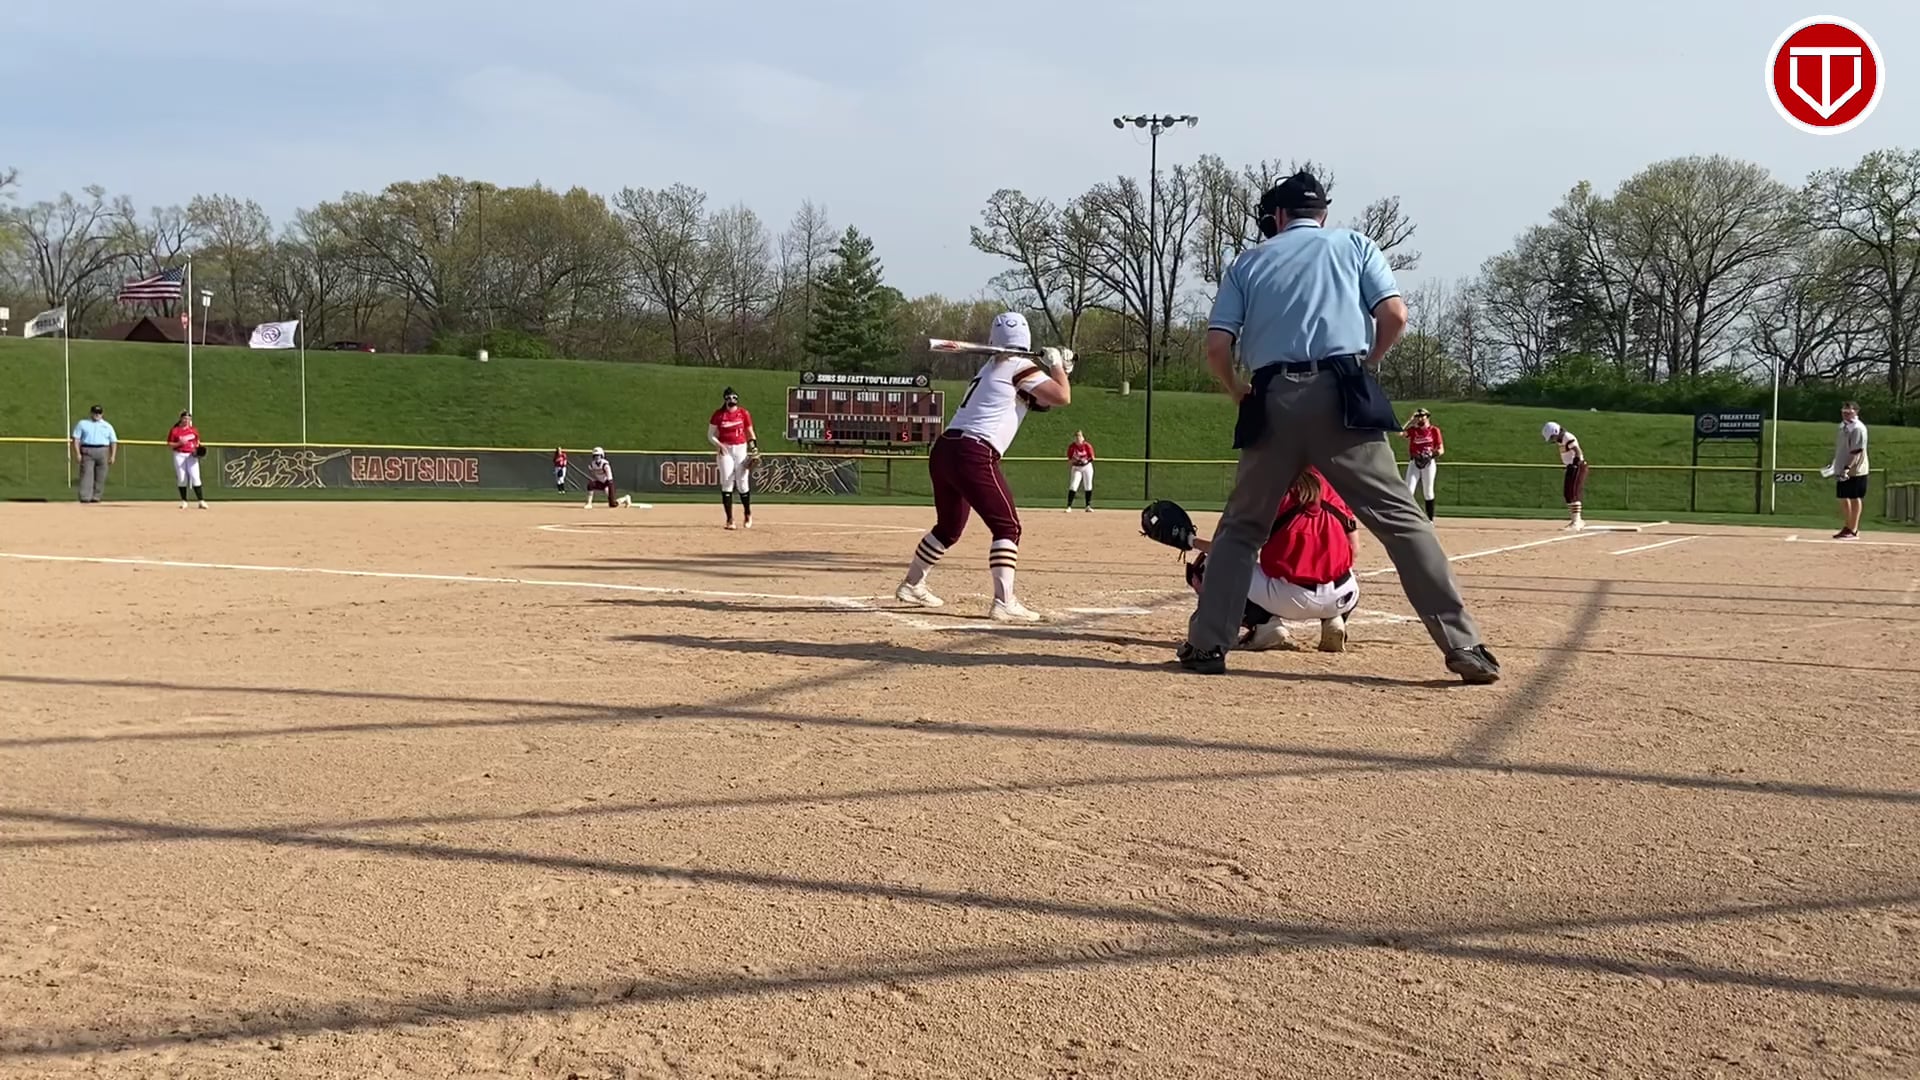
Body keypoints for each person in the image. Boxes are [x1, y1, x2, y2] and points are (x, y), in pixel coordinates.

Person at [1180, 170, 1498, 683]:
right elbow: (1395, 315)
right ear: (1322, 213)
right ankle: (1464, 645)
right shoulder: (1355, 245)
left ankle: (1207, 646)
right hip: (1343, 393)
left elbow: (1218, 346)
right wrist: (1368, 362)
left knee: (1241, 530)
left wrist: (1236, 389)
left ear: (1277, 216)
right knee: (1403, 522)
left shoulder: (1248, 261)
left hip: (1271, 396)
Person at [894, 311, 1072, 623]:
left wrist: (1063, 371)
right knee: (1008, 527)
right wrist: (1056, 366)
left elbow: (1041, 401)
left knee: (948, 528)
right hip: (974, 452)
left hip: (946, 449)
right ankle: (1004, 602)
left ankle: (912, 584)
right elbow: (1062, 397)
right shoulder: (1020, 366)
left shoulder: (992, 368)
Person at [1187, 466, 1360, 653]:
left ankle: (1266, 626)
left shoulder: (1269, 491)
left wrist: (1190, 540)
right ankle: (1334, 619)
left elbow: (1227, 551)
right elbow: (1354, 550)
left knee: (1209, 565)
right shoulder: (1333, 486)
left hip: (1289, 599)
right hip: (1343, 595)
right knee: (1336, 565)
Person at [709, 387, 756, 530]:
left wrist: (754, 448)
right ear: (725, 399)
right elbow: (710, 435)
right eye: (729, 398)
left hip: (740, 448)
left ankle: (747, 513)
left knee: (742, 482)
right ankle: (730, 519)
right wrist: (719, 445)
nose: (732, 400)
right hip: (726, 450)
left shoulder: (743, 413)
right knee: (727, 482)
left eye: (734, 398)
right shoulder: (719, 415)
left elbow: (750, 432)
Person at [1832, 402, 1870, 539]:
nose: (1846, 414)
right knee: (1843, 496)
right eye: (1844, 412)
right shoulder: (1843, 427)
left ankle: (1853, 528)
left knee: (1854, 497)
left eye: (1849, 412)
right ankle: (1848, 525)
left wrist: (1847, 468)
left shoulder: (1857, 428)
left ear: (1856, 412)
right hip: (1842, 467)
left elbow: (1856, 451)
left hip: (1856, 469)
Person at [1541, 422, 1587, 530]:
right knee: (1568, 494)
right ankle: (1576, 520)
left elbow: (1577, 451)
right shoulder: (1561, 440)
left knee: (1573, 492)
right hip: (1570, 466)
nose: (1552, 440)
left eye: (1552, 437)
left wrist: (1576, 463)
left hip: (1577, 465)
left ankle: (1577, 521)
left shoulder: (1567, 437)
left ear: (1556, 432)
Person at [1400, 408, 1444, 520]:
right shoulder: (1413, 430)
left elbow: (1441, 449)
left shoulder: (1434, 430)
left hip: (1428, 463)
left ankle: (1430, 519)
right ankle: (1408, 517)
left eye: (1422, 416)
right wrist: (1409, 420)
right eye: (1418, 416)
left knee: (1428, 492)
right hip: (1414, 462)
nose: (1420, 419)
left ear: (1427, 417)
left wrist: (1431, 455)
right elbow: (1400, 433)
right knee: (1409, 490)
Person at [70, 404, 118, 505]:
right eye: (95, 413)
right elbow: (76, 439)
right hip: (87, 449)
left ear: (102, 414)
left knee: (101, 475)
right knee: (86, 474)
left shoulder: (107, 426)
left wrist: (113, 455)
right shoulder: (83, 424)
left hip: (103, 450)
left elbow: (113, 441)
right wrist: (77, 453)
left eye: (99, 413)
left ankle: (96, 497)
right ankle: (85, 497)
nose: (97, 415)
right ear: (91, 413)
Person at [167, 411, 208, 510]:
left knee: (195, 477)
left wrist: (198, 450)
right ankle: (184, 501)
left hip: (191, 456)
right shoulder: (175, 430)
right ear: (181, 419)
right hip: (179, 455)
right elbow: (170, 444)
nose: (187, 420)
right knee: (182, 478)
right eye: (185, 418)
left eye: (189, 419)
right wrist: (179, 443)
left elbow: (197, 442)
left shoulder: (193, 430)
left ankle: (201, 501)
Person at [1066, 430, 1095, 512]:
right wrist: (1075, 461)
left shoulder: (1087, 446)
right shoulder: (1072, 447)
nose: (1078, 439)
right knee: (1073, 485)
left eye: (1080, 437)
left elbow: (1092, 457)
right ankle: (1069, 506)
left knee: (1088, 485)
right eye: (1076, 437)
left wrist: (1085, 461)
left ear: (1083, 438)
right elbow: (1069, 459)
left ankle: (1088, 506)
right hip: (1076, 468)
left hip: (1087, 467)